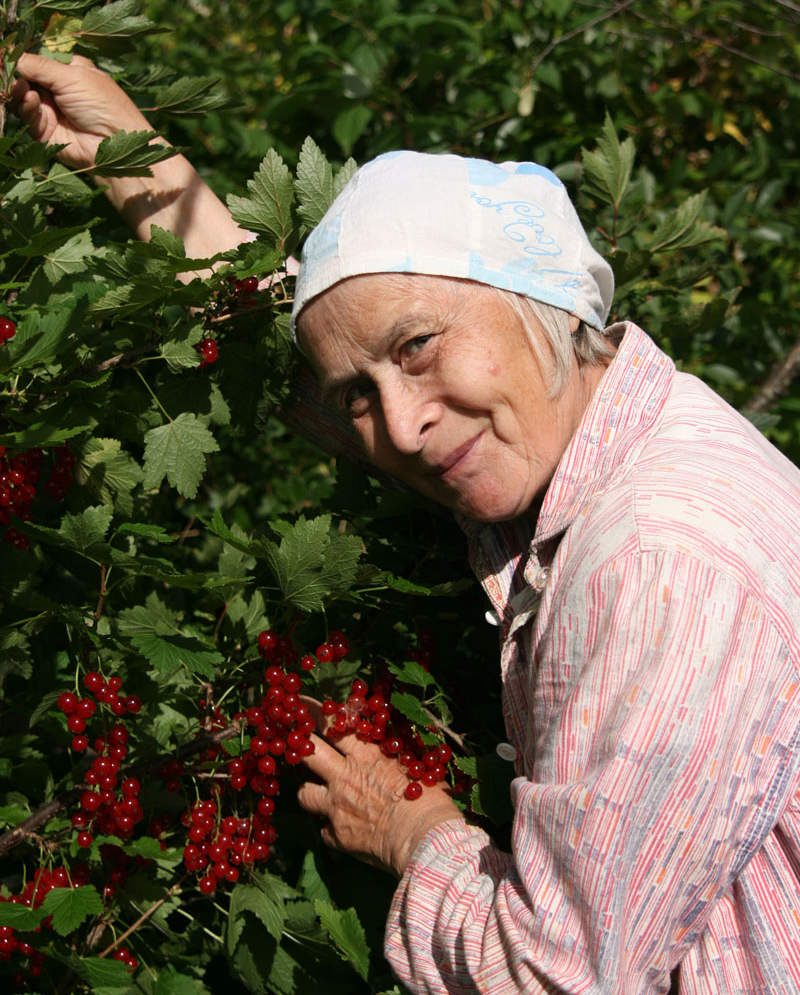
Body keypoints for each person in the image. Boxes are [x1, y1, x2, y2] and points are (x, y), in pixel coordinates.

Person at [13, 54, 800, 994]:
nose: (401, 425)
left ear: (537, 295)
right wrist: (130, 161)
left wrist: (416, 837)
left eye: (420, 347)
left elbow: (558, 978)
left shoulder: (659, 564)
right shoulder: (611, 432)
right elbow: (307, 346)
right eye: (360, 394)